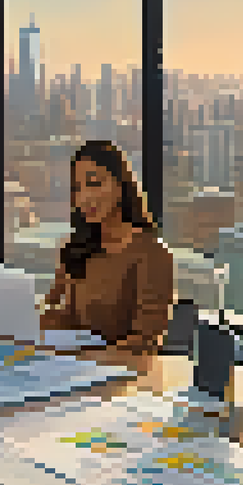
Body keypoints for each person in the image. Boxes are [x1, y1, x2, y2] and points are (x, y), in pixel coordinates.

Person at [40, 140, 176, 355]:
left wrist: (84, 357)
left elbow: (144, 340)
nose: (85, 198)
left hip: (125, 377)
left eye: (94, 183)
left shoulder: (151, 253)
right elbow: (63, 315)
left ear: (121, 185)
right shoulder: (77, 247)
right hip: (74, 370)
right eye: (77, 189)